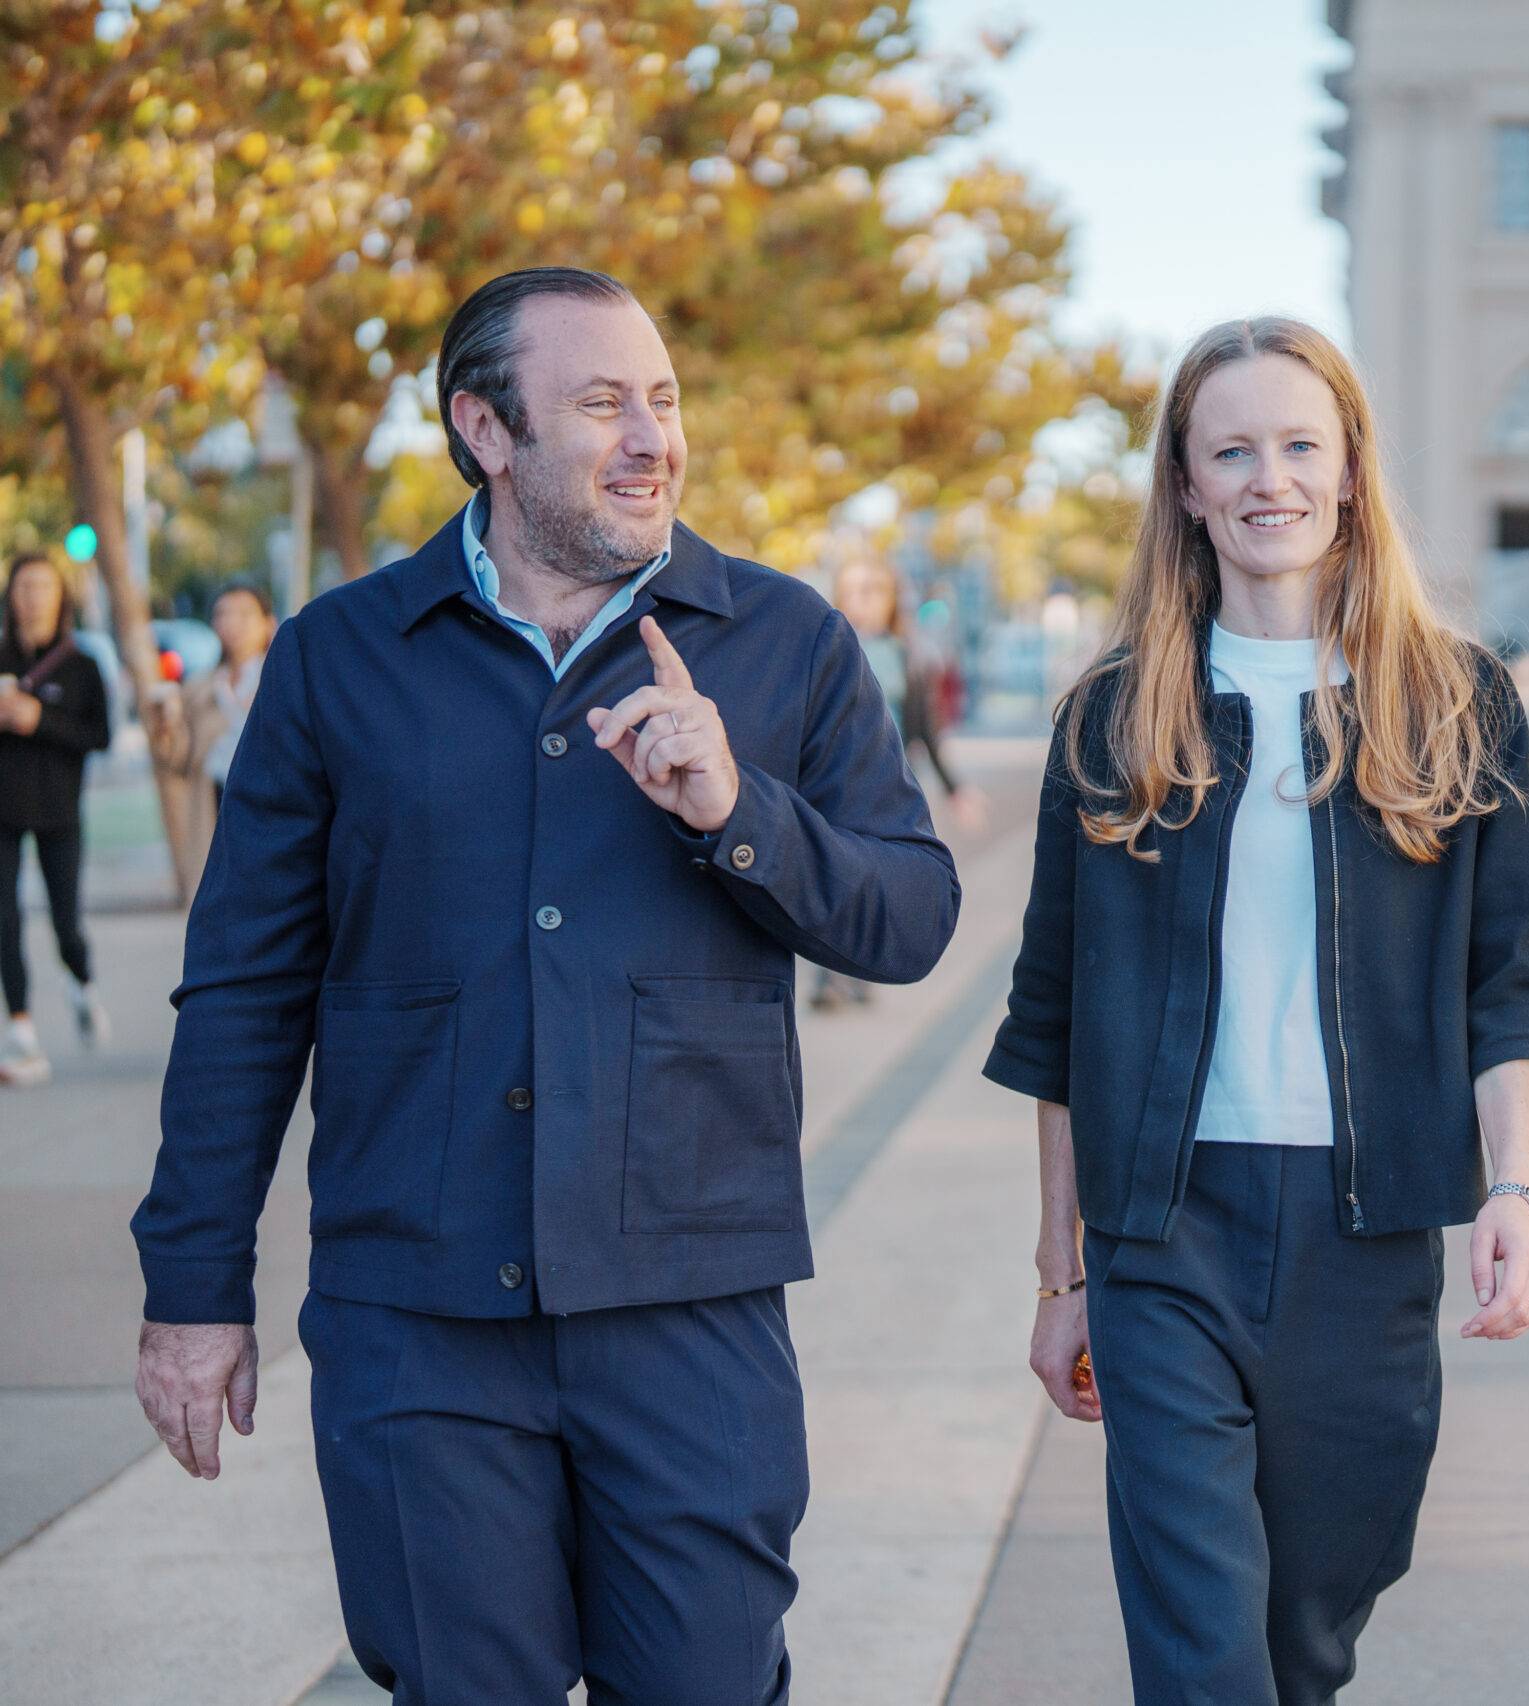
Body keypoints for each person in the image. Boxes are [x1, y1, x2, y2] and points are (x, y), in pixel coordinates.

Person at [130, 267, 961, 1702]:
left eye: (664, 401)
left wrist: (739, 811)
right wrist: (193, 1289)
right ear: (486, 429)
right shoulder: (340, 657)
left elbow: (912, 914)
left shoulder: (785, 639)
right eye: (602, 404)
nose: (652, 439)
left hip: (692, 1309)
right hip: (418, 1314)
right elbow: (244, 995)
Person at [984, 316, 1529, 1706]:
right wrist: (1062, 1276)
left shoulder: (1454, 701)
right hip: (1163, 1231)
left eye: (1301, 445)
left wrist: (1516, 1188)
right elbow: (1052, 1021)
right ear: (1187, 486)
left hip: (1366, 1232)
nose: (1271, 479)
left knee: (1306, 1637)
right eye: (1233, 451)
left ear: (1350, 469)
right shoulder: (1114, 719)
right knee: (1204, 1655)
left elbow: (1510, 975)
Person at [809, 545, 987, 1009]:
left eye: (874, 590)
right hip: (832, 783)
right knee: (834, 873)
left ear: (891, 598)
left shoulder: (907, 655)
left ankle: (859, 969)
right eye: (854, 590)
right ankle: (831, 980)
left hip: (888, 789)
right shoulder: (824, 649)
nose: (864, 599)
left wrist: (956, 789)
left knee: (873, 880)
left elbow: (927, 729)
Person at [0, 549, 113, 1086]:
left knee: (66, 924)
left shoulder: (82, 665)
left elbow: (100, 736)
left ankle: (81, 981)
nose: (34, 598)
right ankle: (21, 1027)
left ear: (61, 597)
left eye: (44, 587)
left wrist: (38, 719)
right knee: (5, 920)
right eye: (25, 587)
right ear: (10, 596)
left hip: (59, 810)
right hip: (2, 810)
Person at [155, 579, 274, 903]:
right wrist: (168, 724)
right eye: (224, 614)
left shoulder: (281, 679)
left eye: (244, 614)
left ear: (268, 623)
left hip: (268, 806)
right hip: (214, 806)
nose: (233, 623)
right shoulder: (200, 687)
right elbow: (179, 759)